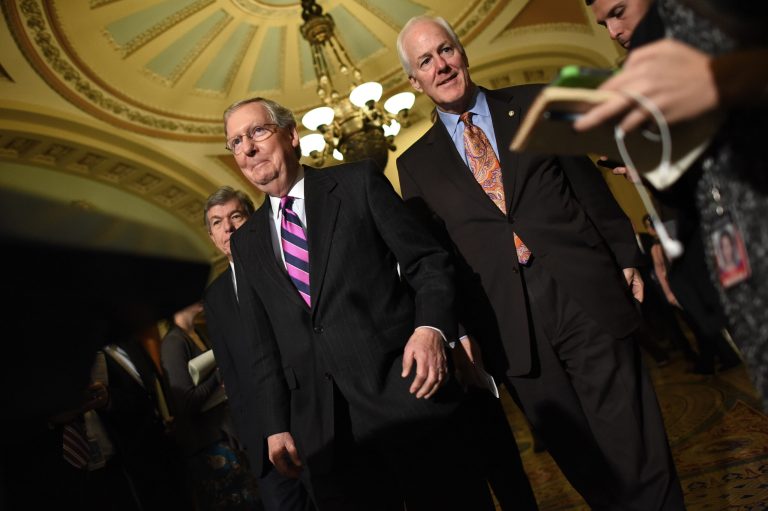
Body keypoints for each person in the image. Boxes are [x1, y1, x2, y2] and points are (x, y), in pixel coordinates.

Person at [395, 15, 684, 510]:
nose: (441, 66)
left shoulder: (536, 104)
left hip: (582, 292)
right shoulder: (413, 165)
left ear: (462, 53)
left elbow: (586, 187)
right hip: (508, 327)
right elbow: (435, 258)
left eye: (446, 51)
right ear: (413, 80)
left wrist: (623, 254)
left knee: (635, 440)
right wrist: (458, 329)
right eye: (426, 61)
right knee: (579, 457)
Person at [219, 97, 494, 510]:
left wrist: (431, 329)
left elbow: (427, 262)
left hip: (406, 396)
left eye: (257, 132)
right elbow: (263, 348)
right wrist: (276, 426)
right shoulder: (245, 241)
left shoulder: (356, 183)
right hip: (326, 435)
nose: (248, 148)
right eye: (236, 141)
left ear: (291, 135)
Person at [578, 0, 767, 404]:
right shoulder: (644, 61)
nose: (613, 32)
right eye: (603, 24)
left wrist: (717, 81)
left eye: (618, 12)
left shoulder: (715, 17)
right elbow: (685, 184)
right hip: (738, 263)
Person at [203, 186, 315, 511]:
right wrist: (251, 438)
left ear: (252, 219)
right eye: (217, 222)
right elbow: (231, 374)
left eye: (236, 216)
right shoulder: (215, 296)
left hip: (312, 419)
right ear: (211, 236)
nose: (228, 228)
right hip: (265, 443)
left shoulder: (285, 259)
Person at [161, 301, 260, 509]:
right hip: (208, 444)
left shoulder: (198, 332)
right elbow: (186, 402)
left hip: (225, 433)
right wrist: (218, 375)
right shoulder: (173, 343)